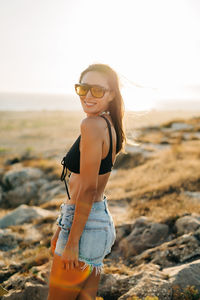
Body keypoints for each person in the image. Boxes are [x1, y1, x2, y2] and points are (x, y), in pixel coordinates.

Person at [47, 63, 126, 300]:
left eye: (97, 90)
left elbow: (88, 189)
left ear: (111, 94)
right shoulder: (109, 124)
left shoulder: (91, 125)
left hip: (84, 225)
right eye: (83, 89)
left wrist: (71, 242)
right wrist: (62, 225)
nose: (88, 96)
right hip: (97, 222)